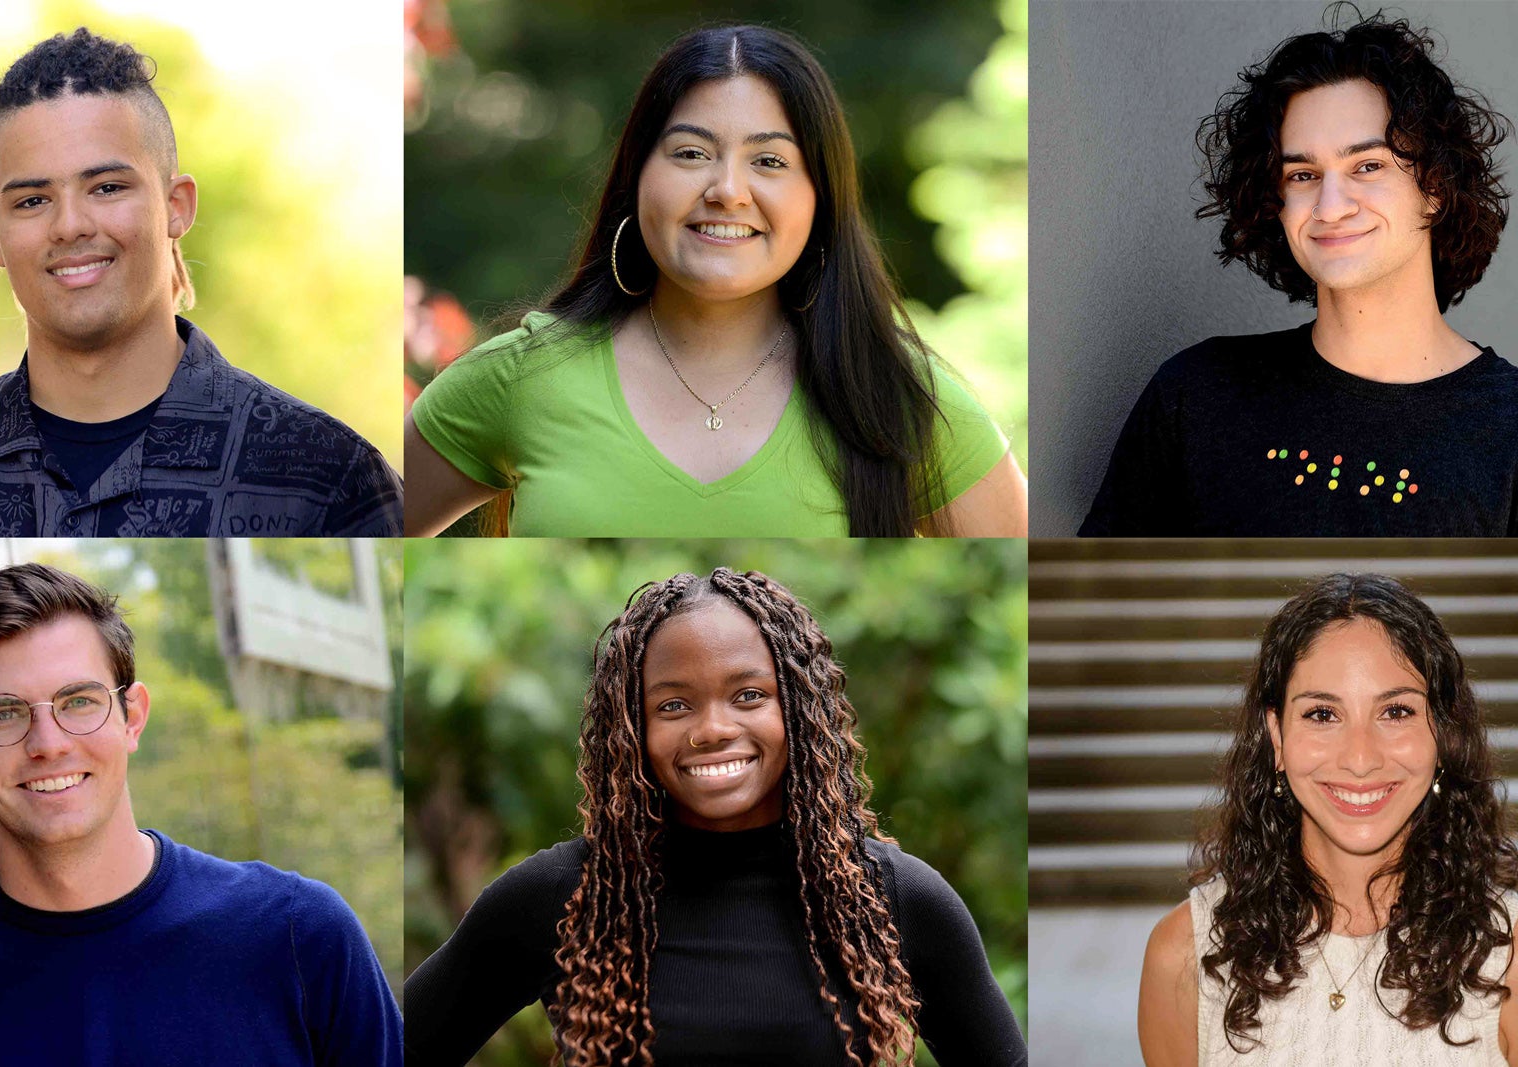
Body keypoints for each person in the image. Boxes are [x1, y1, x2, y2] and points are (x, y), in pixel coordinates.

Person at [406, 25, 1027, 537]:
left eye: (770, 161)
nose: (727, 190)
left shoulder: (900, 397)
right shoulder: (523, 377)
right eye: (690, 153)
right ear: (637, 178)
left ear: (820, 200)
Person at [404, 568, 1026, 1065]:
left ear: (800, 713)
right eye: (674, 705)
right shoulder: (562, 899)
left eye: (748, 696)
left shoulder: (894, 898)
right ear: (631, 729)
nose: (713, 730)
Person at [0, 28, 403, 536]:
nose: (70, 225)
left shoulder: (327, 477)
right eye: (33, 201)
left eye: (106, 188)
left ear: (177, 206)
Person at [0, 563, 404, 1064]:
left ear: (133, 717)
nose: (48, 744)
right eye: (4, 713)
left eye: (79, 701)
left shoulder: (300, 937)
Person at [1081, 10, 1518, 536]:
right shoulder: (1196, 395)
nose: (1330, 206)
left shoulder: (1508, 424)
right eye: (1304, 174)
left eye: (1368, 166)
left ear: (1437, 188)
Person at [1137, 573, 1518, 1065]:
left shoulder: (1507, 956)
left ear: (1442, 735)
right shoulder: (1183, 956)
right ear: (1277, 737)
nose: (1360, 759)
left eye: (1396, 711)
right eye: (1322, 715)